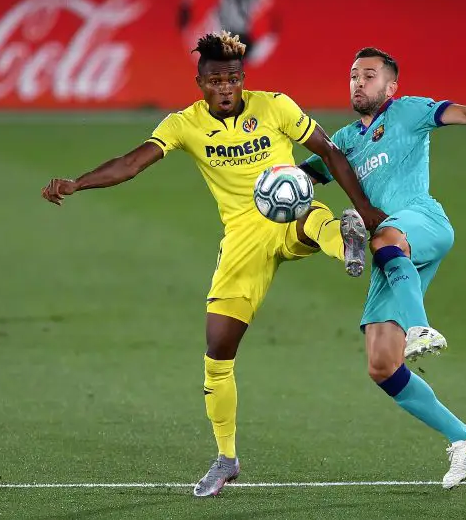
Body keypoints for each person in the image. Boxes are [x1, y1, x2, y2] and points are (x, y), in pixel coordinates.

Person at [41, 32, 385, 497]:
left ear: (243, 79)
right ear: (200, 82)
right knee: (217, 354)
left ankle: (346, 240)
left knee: (308, 215)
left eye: (234, 79)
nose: (227, 88)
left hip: (287, 212)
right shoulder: (185, 124)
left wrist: (364, 208)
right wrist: (77, 184)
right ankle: (226, 459)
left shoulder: (276, 106)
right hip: (241, 240)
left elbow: (329, 152)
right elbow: (131, 163)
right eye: (217, 80)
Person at [300, 47, 466, 489]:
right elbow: (301, 176)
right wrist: (271, 182)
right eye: (353, 76)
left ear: (390, 86)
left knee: (381, 233)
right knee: (382, 364)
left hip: (423, 222)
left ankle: (421, 328)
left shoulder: (409, 111)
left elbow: (462, 112)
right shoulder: (344, 141)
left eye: (368, 76)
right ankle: (465, 439)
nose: (358, 83)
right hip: (393, 252)